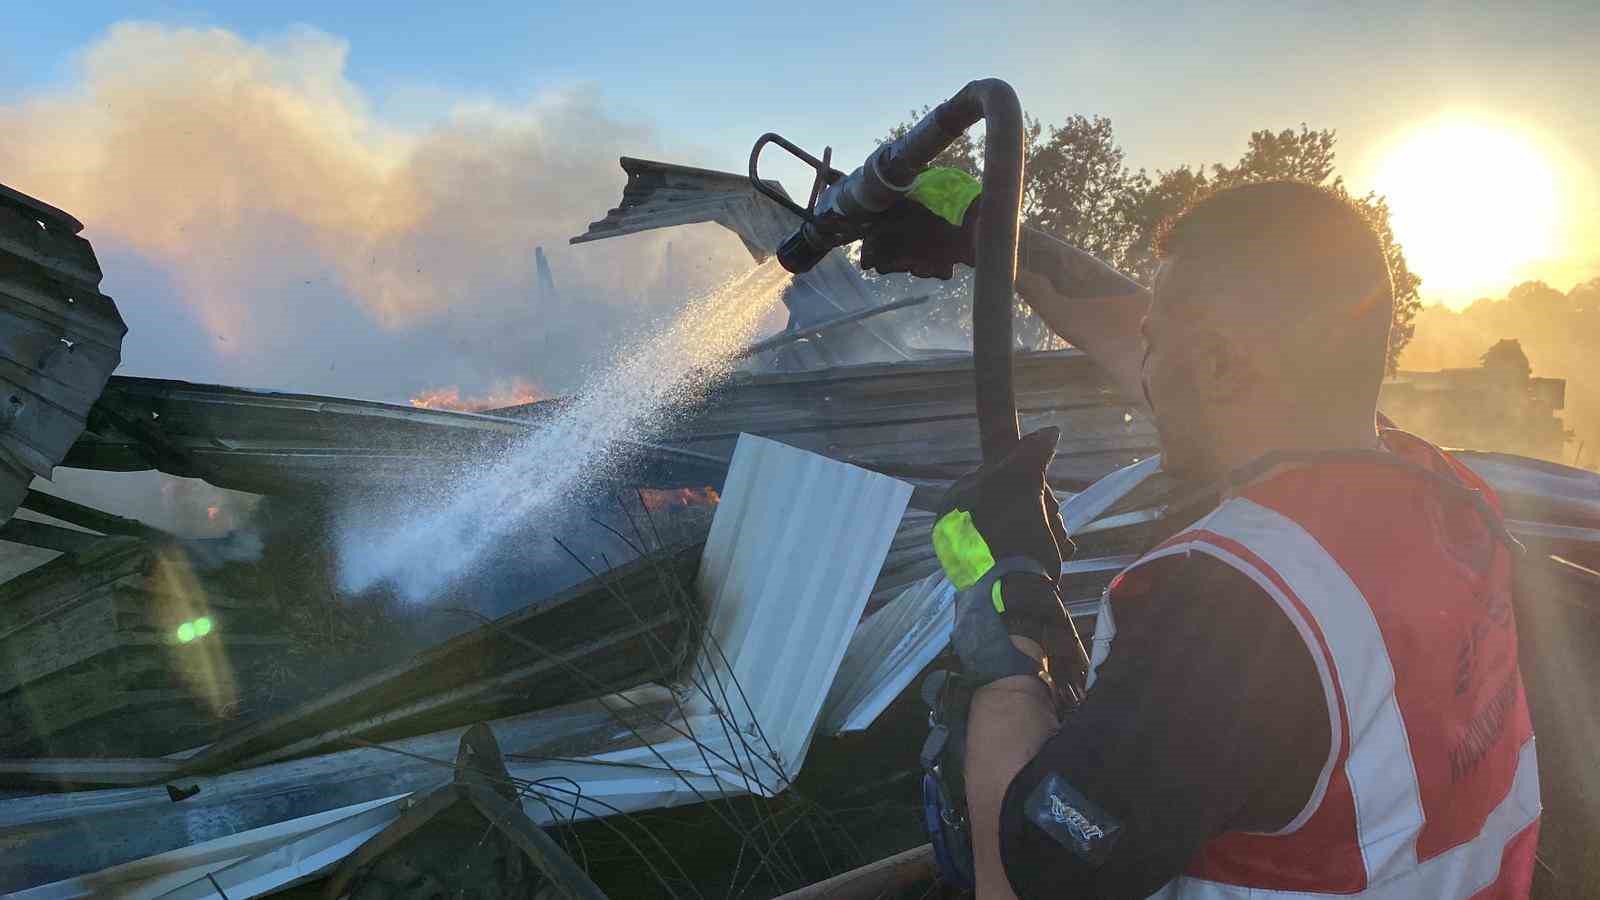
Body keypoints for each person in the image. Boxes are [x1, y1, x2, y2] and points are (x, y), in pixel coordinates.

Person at [862, 176, 1541, 898]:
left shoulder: (1234, 606)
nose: (1142, 366)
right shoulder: (1442, 495)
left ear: (1219, 367)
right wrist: (987, 228)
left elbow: (1026, 879)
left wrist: (1004, 615)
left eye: (1158, 344)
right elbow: (1151, 332)